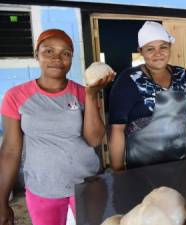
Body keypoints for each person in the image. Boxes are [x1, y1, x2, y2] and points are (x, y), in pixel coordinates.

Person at [0, 29, 113, 225]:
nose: (57, 58)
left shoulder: (83, 92)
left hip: (87, 185)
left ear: (71, 58)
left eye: (65, 53)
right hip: (43, 190)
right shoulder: (16, 96)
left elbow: (94, 139)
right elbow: (10, 150)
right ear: (37, 54)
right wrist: (1, 200)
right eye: (48, 51)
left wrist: (91, 95)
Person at [108, 21, 186, 170]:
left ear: (170, 47)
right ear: (141, 51)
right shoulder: (129, 80)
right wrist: (118, 172)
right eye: (150, 49)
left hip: (184, 162)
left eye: (163, 47)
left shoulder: (182, 75)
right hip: (144, 169)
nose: (158, 53)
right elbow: (117, 130)